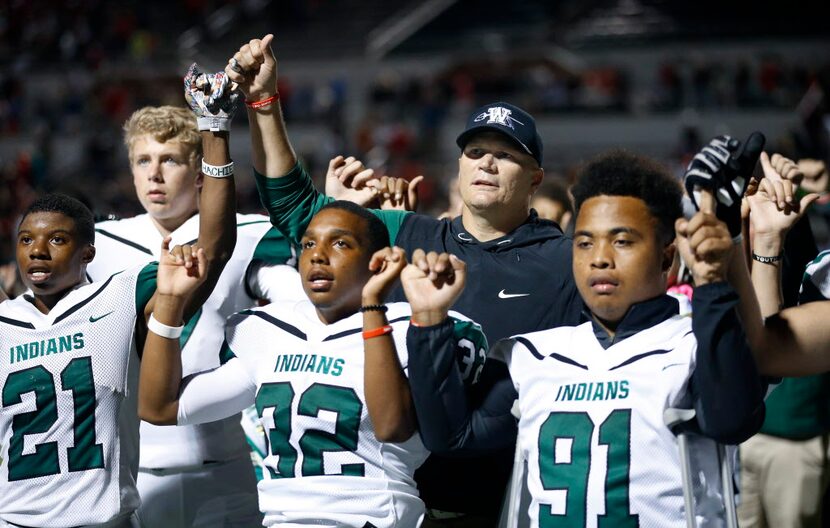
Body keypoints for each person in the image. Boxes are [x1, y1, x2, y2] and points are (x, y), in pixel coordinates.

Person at [225, 34, 582, 524]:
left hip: (514, 499)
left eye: (507, 155)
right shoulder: (404, 233)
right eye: (475, 151)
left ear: (536, 177)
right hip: (402, 500)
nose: (487, 163)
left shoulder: (566, 262)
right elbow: (298, 210)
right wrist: (264, 102)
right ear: (458, 165)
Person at [401, 150, 766, 525]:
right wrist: (430, 320)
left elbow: (733, 421)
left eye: (622, 241)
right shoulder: (535, 354)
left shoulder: (695, 344)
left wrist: (712, 286)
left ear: (665, 256)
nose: (600, 258)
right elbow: (452, 437)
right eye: (585, 242)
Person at [137, 201, 487, 527]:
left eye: (340, 244)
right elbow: (162, 408)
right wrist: (169, 301)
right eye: (307, 245)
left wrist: (372, 305)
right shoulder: (267, 329)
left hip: (375, 518)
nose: (317, 256)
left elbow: (392, 427)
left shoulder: (421, 324)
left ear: (379, 260)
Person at [0, 91, 235, 527]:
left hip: (130, 500)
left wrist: (216, 129)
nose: (37, 252)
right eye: (26, 241)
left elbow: (214, 249)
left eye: (56, 240)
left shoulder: (121, 294)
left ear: (89, 252)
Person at [86, 102, 301, 526]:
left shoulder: (249, 235)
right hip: (129, 469)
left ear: (200, 171)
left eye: (169, 160)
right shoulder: (96, 245)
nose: (154, 174)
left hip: (223, 463)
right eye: (143, 160)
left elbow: (300, 311)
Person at [737, 152, 829, 528]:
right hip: (745, 434)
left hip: (798, 437)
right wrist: (765, 236)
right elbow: (764, 346)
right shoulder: (810, 266)